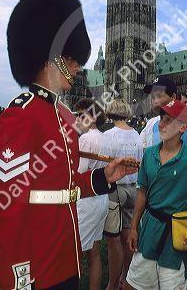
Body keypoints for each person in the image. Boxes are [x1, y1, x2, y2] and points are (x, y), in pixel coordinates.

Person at [0, 0, 138, 290]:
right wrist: (20, 278)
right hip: (36, 271)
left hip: (65, 264)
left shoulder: (65, 117)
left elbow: (62, 190)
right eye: (71, 60)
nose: (78, 67)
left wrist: (103, 177)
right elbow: (6, 207)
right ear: (52, 57)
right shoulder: (21, 116)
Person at [124, 100, 187, 290]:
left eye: (169, 120)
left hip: (177, 240)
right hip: (149, 234)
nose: (161, 124)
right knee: (132, 286)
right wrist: (134, 227)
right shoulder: (149, 154)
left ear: (183, 127)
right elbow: (142, 192)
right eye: (162, 118)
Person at [104, 99, 143, 290]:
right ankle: (125, 278)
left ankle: (112, 283)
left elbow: (104, 165)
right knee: (129, 235)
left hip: (116, 190)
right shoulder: (136, 135)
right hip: (133, 188)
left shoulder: (109, 135)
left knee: (114, 239)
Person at [75, 98, 109, 290]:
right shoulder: (104, 137)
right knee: (94, 252)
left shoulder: (86, 139)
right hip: (101, 198)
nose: (79, 120)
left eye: (82, 115)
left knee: (75, 254)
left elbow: (79, 172)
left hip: (86, 199)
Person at [140, 76, 187, 150]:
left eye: (159, 96)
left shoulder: (182, 127)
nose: (155, 101)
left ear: (173, 97)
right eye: (153, 97)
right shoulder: (153, 124)